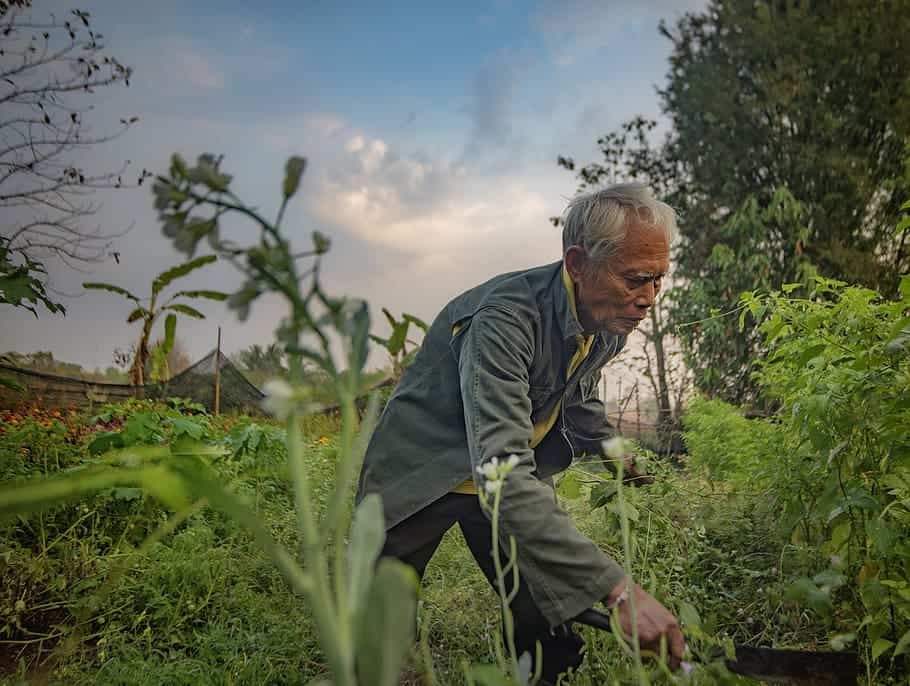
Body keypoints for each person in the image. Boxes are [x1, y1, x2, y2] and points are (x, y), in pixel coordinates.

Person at [356, 182, 685, 683]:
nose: (649, 300)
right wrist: (621, 590)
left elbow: (581, 398)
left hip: (504, 470)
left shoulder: (605, 322)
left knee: (543, 607)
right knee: (382, 631)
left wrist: (616, 455)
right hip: (427, 471)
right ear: (577, 263)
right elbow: (502, 475)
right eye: (636, 279)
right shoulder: (504, 321)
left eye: (658, 281)